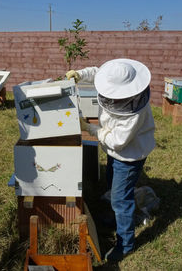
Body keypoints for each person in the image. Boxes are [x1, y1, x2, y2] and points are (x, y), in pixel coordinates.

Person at [66, 58, 156, 262]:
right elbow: (98, 73)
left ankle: (125, 244)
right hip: (116, 151)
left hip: (129, 155)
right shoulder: (119, 77)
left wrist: (89, 128)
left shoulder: (134, 112)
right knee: (112, 183)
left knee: (120, 198)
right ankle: (115, 219)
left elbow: (118, 141)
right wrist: (80, 73)